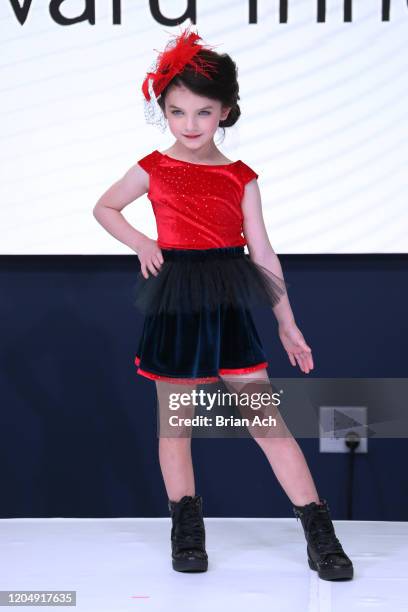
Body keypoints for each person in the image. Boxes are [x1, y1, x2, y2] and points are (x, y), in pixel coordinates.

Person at [93, 24, 353, 581]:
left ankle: (318, 531)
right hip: (175, 297)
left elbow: (262, 251)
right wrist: (143, 242)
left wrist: (288, 324)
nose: (190, 125)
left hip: (228, 300)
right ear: (163, 109)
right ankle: (186, 528)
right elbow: (106, 207)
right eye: (178, 112)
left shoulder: (240, 177)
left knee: (266, 420)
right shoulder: (154, 168)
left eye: (203, 113)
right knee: (176, 423)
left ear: (227, 113)